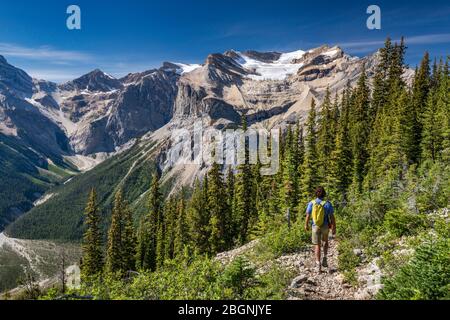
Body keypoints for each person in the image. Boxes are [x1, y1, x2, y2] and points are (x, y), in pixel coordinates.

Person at [304, 186, 336, 273]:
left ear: (316, 193)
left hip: (315, 227)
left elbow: (308, 215)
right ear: (324, 194)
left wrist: (306, 225)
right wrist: (334, 228)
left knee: (317, 245)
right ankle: (325, 257)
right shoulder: (327, 204)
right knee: (325, 241)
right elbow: (332, 217)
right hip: (325, 226)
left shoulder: (312, 203)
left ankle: (318, 264)